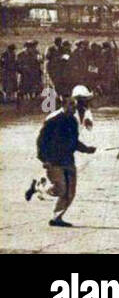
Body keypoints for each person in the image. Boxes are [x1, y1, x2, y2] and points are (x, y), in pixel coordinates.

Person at [28, 95, 97, 227]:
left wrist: (86, 149)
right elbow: (41, 141)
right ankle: (39, 187)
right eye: (71, 105)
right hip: (53, 161)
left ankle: (57, 217)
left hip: (68, 160)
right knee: (60, 189)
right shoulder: (52, 120)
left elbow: (74, 142)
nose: (74, 107)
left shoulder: (72, 121)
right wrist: (44, 159)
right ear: (63, 105)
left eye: (75, 105)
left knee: (70, 192)